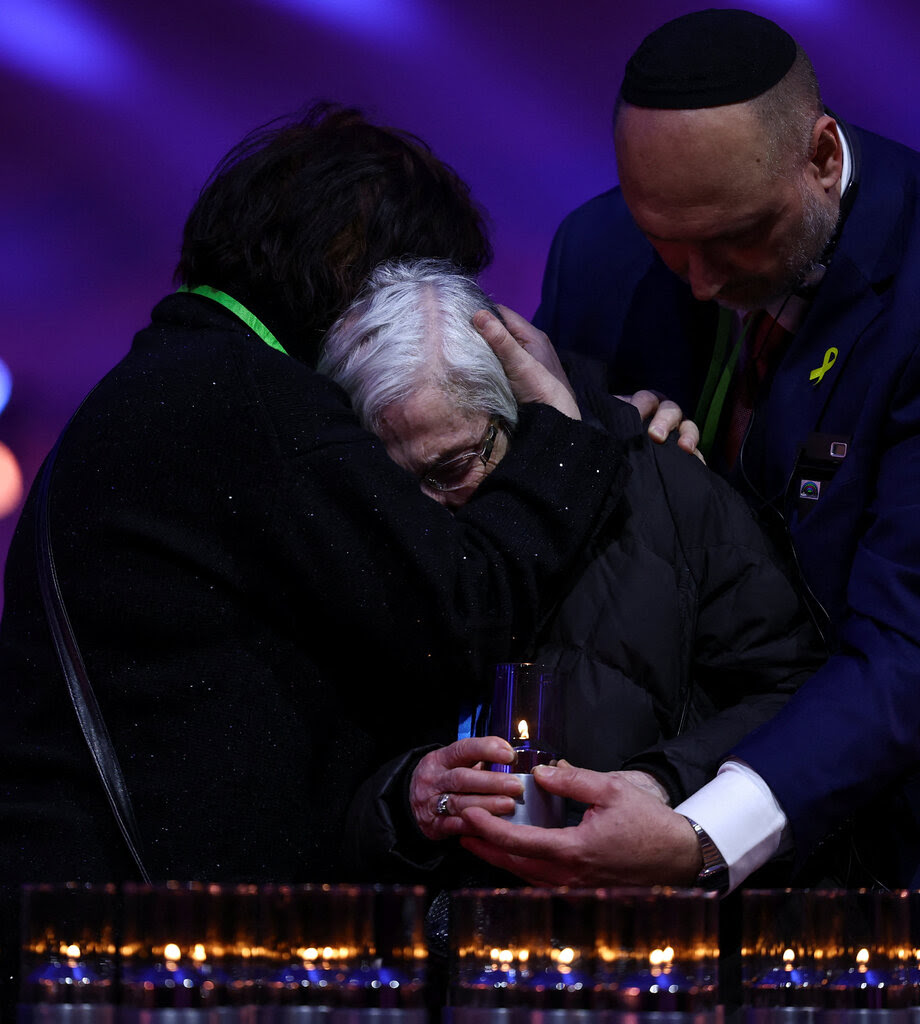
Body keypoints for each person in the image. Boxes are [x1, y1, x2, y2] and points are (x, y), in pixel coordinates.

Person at [0, 103, 635, 1007]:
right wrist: (566, 433)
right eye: (419, 286)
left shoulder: (166, 382)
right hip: (162, 956)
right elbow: (459, 612)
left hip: (89, 930)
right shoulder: (251, 400)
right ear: (358, 273)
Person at [463, 9, 920, 892]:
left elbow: (917, 647)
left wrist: (701, 835)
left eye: (737, 236)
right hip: (657, 790)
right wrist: (579, 445)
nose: (702, 281)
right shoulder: (598, 252)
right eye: (665, 241)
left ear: (823, 157)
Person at [314, 257, 824, 879]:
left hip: (635, 939)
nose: (430, 518)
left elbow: (799, 699)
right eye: (396, 489)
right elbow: (299, 781)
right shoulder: (337, 537)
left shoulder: (668, 489)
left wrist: (664, 782)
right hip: (427, 955)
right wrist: (404, 800)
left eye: (452, 470)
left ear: (514, 409)